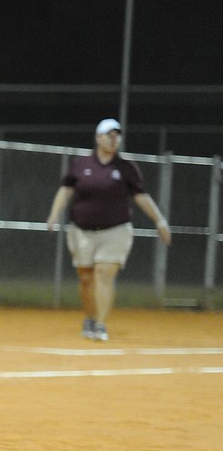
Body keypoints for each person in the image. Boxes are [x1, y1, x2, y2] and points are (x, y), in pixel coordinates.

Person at [46, 118, 172, 341]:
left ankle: (100, 324)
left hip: (115, 230)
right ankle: (90, 318)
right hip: (82, 230)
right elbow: (65, 190)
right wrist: (54, 214)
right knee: (86, 278)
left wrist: (160, 221)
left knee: (104, 273)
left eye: (117, 136)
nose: (114, 140)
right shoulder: (80, 164)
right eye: (109, 135)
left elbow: (141, 197)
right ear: (98, 138)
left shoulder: (126, 167)